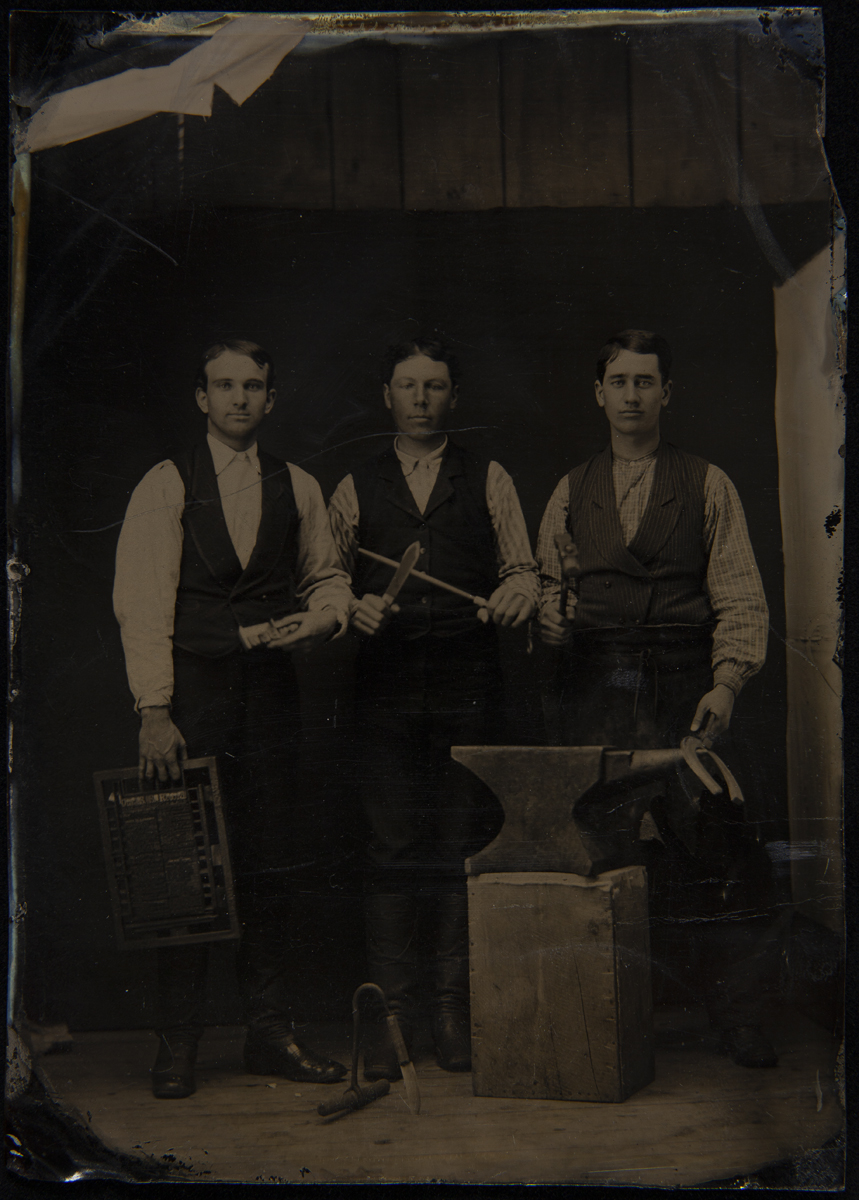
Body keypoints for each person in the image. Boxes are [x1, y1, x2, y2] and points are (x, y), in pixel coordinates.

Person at [114, 339, 353, 1098]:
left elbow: (327, 577)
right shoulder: (165, 483)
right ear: (201, 398)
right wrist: (155, 710)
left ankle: (268, 1034)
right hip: (195, 705)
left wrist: (325, 618)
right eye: (224, 386)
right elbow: (142, 604)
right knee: (185, 872)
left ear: (271, 399)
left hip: (274, 707)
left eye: (253, 386)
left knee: (274, 868)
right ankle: (178, 1043)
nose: (239, 399)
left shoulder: (298, 485)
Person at [537, 329, 781, 1069]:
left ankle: (737, 1017)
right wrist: (550, 620)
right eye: (619, 381)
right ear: (599, 393)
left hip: (685, 683)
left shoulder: (707, 483)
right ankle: (607, 1019)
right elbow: (552, 591)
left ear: (666, 393)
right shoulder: (569, 489)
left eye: (646, 381)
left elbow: (740, 598)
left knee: (717, 842)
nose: (632, 395)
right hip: (598, 683)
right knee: (599, 849)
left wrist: (726, 682)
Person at [328, 336, 539, 1079]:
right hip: (383, 689)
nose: (421, 399)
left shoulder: (489, 476)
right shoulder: (354, 484)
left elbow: (522, 566)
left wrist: (518, 591)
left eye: (436, 386)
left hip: (468, 684)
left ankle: (450, 1012)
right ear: (386, 394)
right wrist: (353, 606)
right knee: (390, 850)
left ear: (455, 396)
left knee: (459, 847)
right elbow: (325, 577)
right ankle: (389, 1017)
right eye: (408, 386)